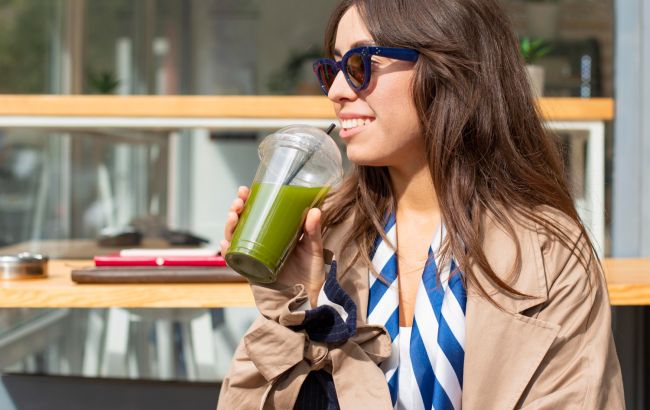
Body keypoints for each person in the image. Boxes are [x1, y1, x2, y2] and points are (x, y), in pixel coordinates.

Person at [217, 0, 625, 408]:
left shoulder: (548, 254)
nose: (337, 91)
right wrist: (299, 305)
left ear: (448, 70)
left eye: (360, 64)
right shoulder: (326, 236)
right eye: (333, 69)